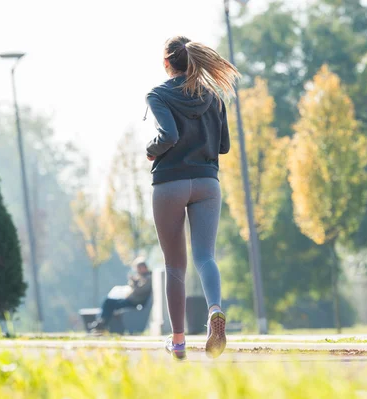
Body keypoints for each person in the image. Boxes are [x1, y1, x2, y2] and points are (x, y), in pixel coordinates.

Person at [145, 36, 239, 360]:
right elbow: (223, 146)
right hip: (207, 183)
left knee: (174, 266)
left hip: (169, 182)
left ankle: (179, 342)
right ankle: (215, 309)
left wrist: (151, 150)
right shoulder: (213, 97)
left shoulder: (157, 94)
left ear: (167, 62)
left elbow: (168, 135)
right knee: (205, 257)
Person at [89, 258, 152, 333]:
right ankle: (101, 322)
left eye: (138, 268)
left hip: (134, 302)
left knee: (109, 304)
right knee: (108, 301)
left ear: (143, 267)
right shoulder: (143, 277)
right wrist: (133, 281)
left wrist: (134, 282)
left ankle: (102, 324)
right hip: (130, 300)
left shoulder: (149, 278)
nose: (137, 271)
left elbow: (139, 290)